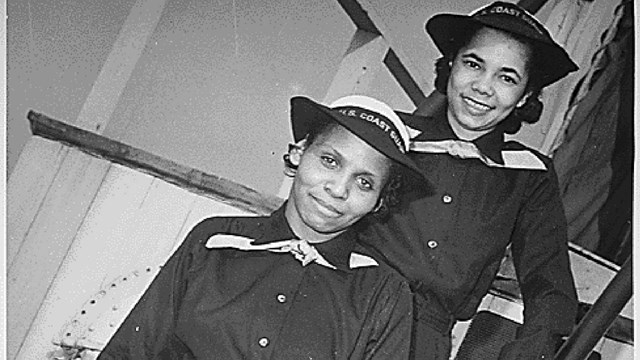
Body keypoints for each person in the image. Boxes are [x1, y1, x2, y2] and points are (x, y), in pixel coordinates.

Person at [97, 95, 432, 359]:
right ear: (300, 152)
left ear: (379, 201)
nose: (338, 189)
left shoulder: (383, 294)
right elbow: (130, 351)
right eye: (330, 161)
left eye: (363, 182)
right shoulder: (214, 241)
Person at [358, 2, 579, 359]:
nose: (483, 87)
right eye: (473, 64)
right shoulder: (390, 133)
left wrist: (534, 346)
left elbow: (549, 283)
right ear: (450, 67)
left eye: (507, 77)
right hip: (341, 302)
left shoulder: (529, 174)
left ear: (525, 96)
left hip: (422, 341)